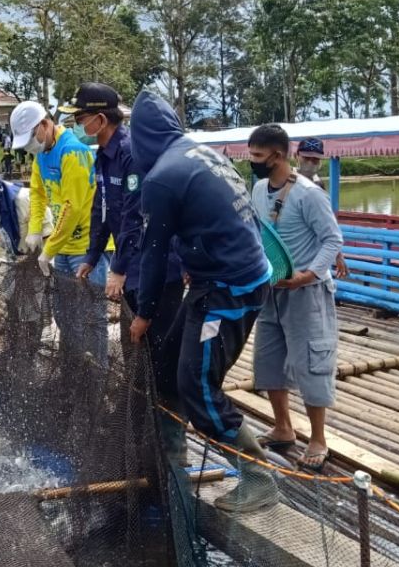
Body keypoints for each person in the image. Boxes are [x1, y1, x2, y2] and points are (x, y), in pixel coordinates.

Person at [129, 90, 278, 513]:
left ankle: (258, 478)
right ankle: (172, 460)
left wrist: (143, 314)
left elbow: (154, 253)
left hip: (229, 290)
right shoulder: (200, 151)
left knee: (197, 386)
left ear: (141, 137)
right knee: (166, 367)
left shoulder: (160, 178)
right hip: (226, 277)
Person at [63, 82, 188, 463]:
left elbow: (136, 217)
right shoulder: (102, 154)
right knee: (134, 347)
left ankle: (170, 440)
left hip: (156, 269)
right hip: (129, 269)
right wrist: (92, 254)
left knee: (160, 352)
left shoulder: (132, 153)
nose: (77, 124)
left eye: (81, 118)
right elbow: (105, 210)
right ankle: (138, 421)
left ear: (100, 119)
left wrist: (115, 269)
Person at [247, 124, 344, 473]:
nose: (253, 161)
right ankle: (283, 427)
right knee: (268, 359)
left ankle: (318, 437)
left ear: (279, 155)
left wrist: (309, 274)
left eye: (258, 156)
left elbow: (332, 240)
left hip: (305, 290)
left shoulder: (308, 194)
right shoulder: (258, 189)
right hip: (272, 289)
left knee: (310, 361)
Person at [10, 99, 107, 367]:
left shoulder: (72, 152)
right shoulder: (42, 155)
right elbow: (39, 196)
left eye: (31, 137)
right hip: (63, 246)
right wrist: (33, 232)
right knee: (64, 314)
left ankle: (97, 371)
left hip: (88, 247)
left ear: (44, 124)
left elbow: (72, 207)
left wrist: (49, 249)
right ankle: (75, 365)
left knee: (92, 316)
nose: (30, 145)